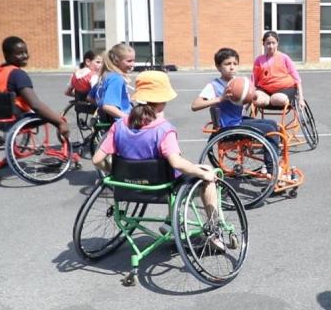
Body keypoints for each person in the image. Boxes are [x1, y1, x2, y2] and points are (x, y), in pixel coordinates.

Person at [93, 71, 227, 251]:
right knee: (208, 175)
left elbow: (97, 159)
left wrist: (115, 173)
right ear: (163, 101)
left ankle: (171, 222)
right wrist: (204, 173)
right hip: (161, 188)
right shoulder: (164, 130)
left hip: (127, 186)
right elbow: (177, 163)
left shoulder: (119, 125)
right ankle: (215, 233)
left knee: (185, 173)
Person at [191, 47, 281, 167]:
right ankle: (272, 168)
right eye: (227, 64)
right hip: (229, 126)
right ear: (218, 67)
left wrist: (253, 98)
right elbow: (195, 105)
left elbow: (248, 100)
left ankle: (272, 159)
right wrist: (220, 99)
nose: (232, 67)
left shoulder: (239, 82)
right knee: (270, 130)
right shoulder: (214, 85)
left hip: (238, 120)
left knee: (272, 124)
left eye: (235, 63)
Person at [0, 36, 69, 138]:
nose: (25, 56)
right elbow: (35, 105)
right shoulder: (18, 74)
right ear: (7, 55)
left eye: (25, 52)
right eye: (19, 53)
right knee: (56, 118)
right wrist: (60, 122)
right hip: (15, 118)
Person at [252, 31, 306, 109]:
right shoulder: (259, 60)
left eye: (273, 43)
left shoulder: (284, 58)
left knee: (277, 99)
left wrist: (301, 98)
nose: (271, 46)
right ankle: (268, 99)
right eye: (268, 43)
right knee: (257, 99)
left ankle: (273, 99)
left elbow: (297, 78)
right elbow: (253, 80)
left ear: (277, 43)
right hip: (265, 90)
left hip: (285, 89)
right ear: (263, 44)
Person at [90, 43, 135, 121]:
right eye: (129, 61)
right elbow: (108, 106)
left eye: (133, 60)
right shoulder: (116, 79)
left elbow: (90, 97)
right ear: (117, 61)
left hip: (106, 119)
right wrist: (128, 118)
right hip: (121, 123)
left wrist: (101, 108)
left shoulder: (106, 75)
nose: (133, 64)